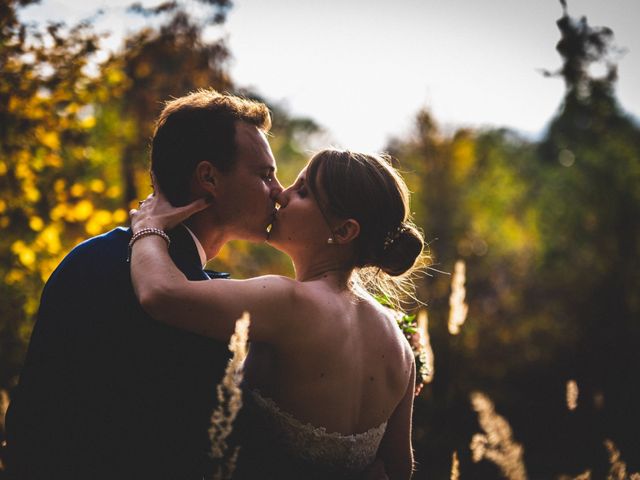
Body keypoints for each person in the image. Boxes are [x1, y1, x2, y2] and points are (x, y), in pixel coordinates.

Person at [4, 89, 283, 479]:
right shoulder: (198, 303)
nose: (279, 192)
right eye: (265, 175)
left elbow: (28, 423)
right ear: (208, 177)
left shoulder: (84, 259)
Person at [129, 149, 425, 479]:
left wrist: (147, 227)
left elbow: (160, 294)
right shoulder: (399, 345)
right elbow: (398, 468)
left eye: (302, 192)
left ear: (343, 232)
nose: (282, 195)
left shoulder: (287, 301)